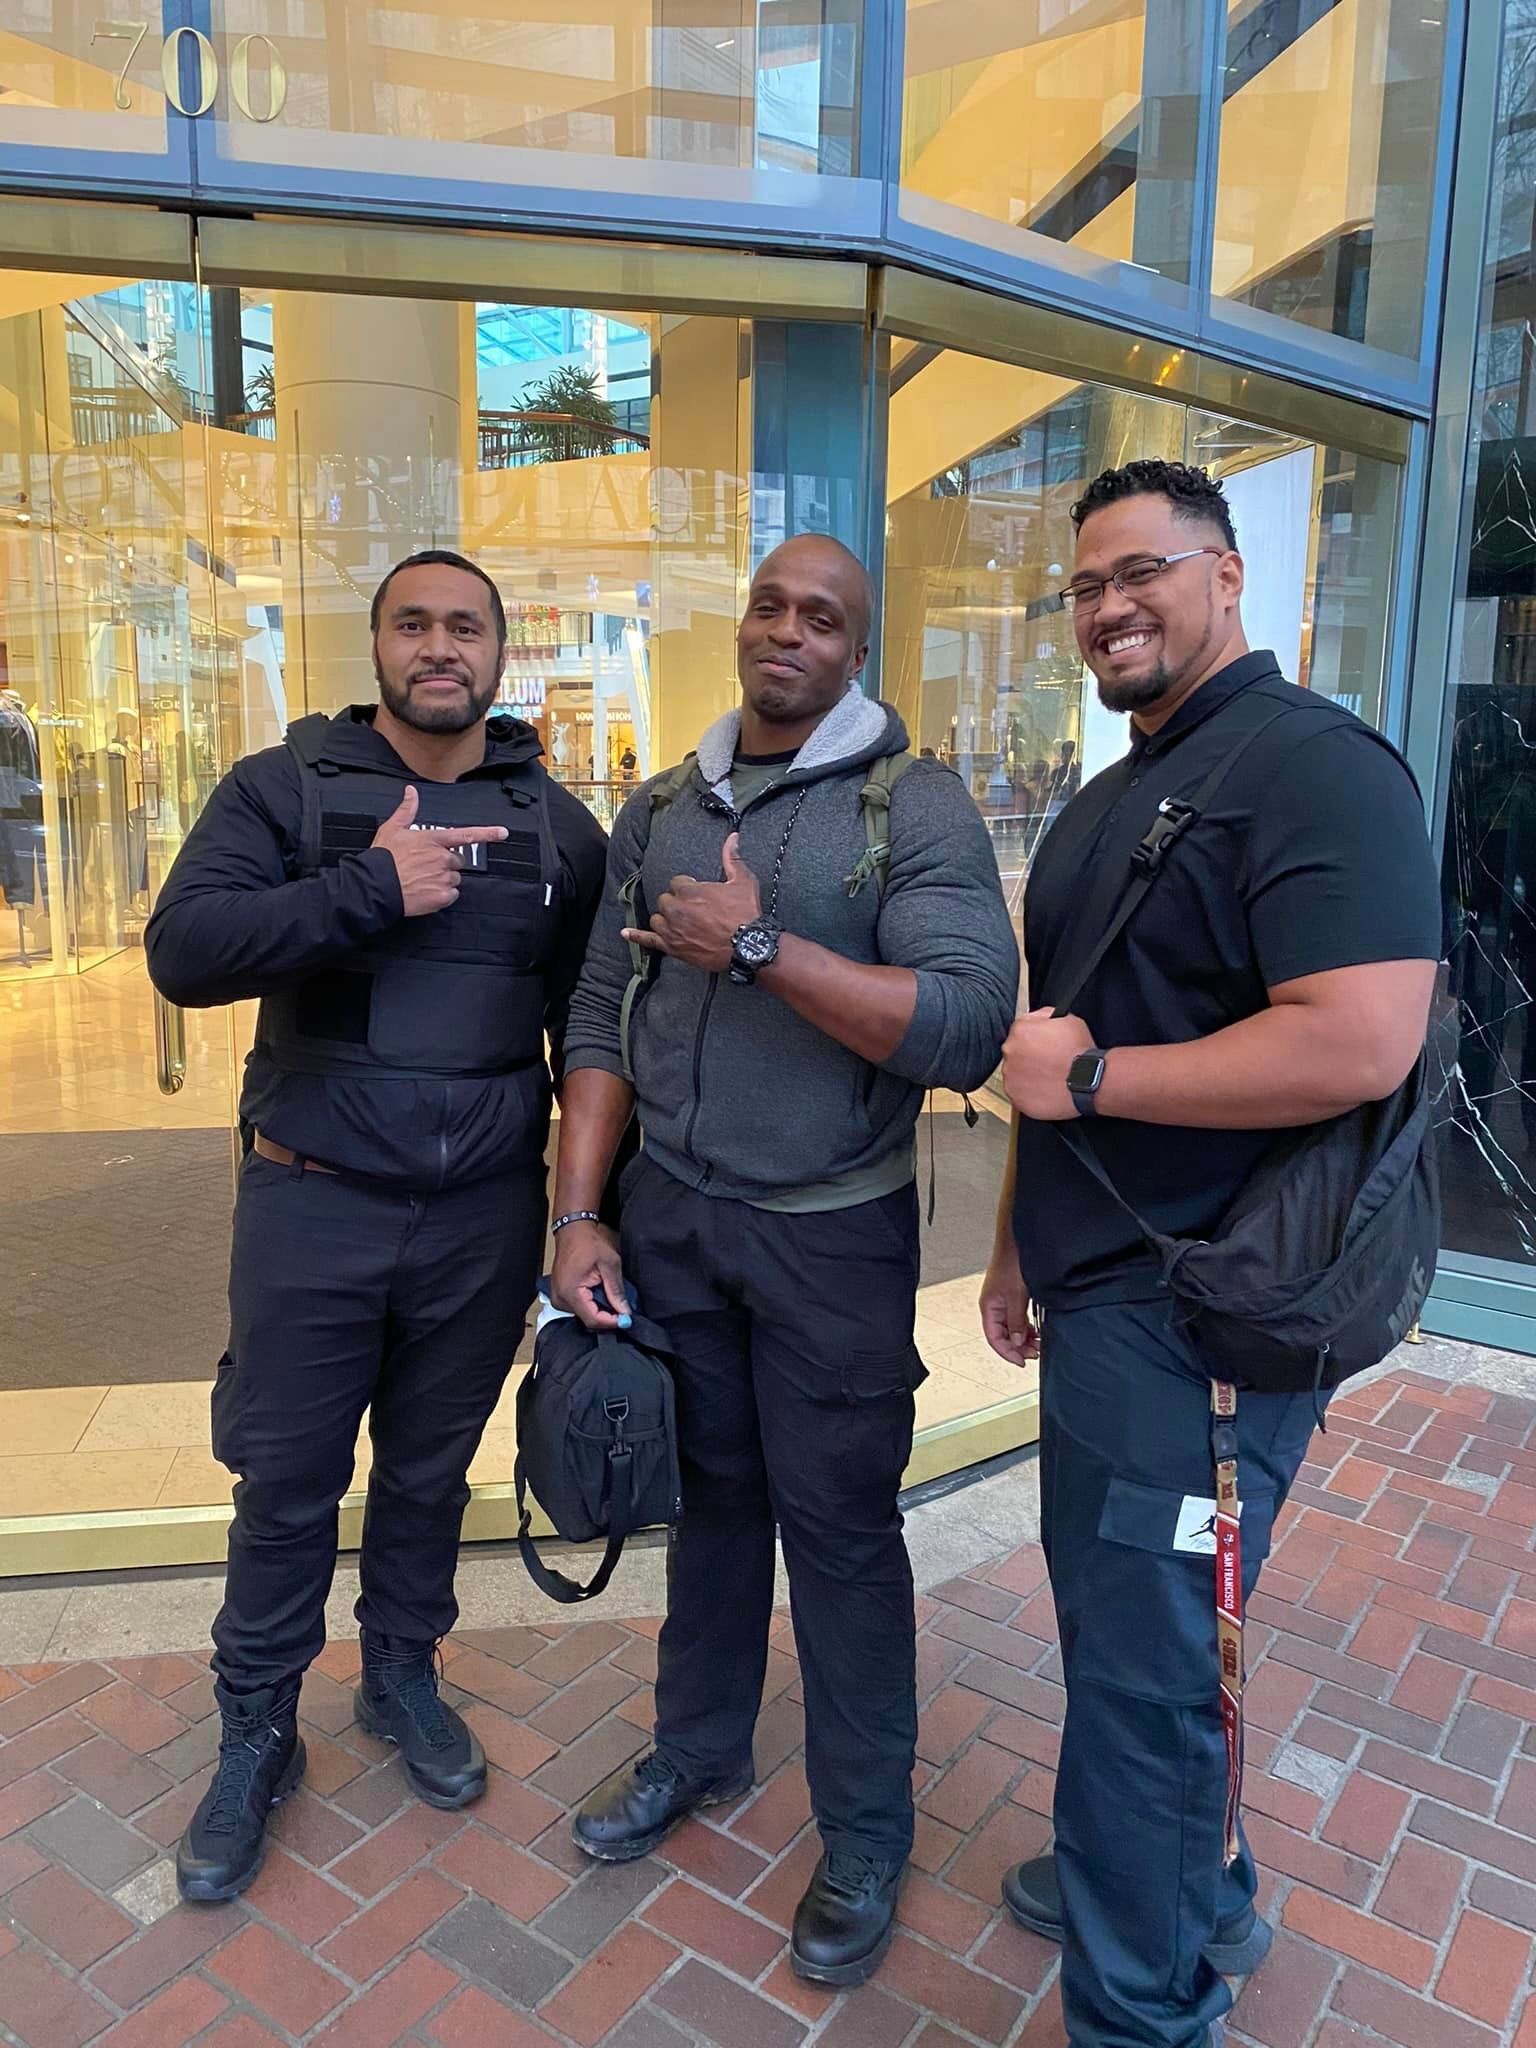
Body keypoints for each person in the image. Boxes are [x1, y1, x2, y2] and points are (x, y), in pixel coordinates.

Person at [980, 461, 1439, 2048]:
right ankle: (1189, 1883)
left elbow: (1360, 1040)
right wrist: (1013, 1246)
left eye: (1143, 571)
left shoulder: (1315, 768)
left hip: (1210, 1317)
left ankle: (1143, 2007)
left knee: (1149, 1667)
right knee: (1129, 1637)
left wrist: (1097, 1081)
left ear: (1228, 575)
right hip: (1101, 1294)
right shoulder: (1110, 799)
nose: (1110, 605)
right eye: (1086, 585)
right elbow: (1051, 1052)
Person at [550, 533, 1019, 1987]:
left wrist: (759, 949)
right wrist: (577, 1213)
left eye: (823, 618)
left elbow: (967, 1026)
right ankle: (697, 1748)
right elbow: (600, 1014)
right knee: (710, 1511)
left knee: (839, 1535)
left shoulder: (912, 802)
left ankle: (866, 1832)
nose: (789, 632)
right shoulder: (660, 807)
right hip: (676, 1221)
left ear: (855, 651)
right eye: (771, 606)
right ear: (741, 625)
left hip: (832, 1239)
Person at [146, 549, 608, 1903]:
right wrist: (363, 890)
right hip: (313, 1205)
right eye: (413, 623)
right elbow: (183, 950)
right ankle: (257, 1729)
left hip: (479, 1219)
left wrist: (584, 1217)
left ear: (500, 654)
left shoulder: (558, 830)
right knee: (286, 1483)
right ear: (379, 646)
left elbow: (590, 1031)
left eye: (465, 626)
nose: (439, 646)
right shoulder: (282, 789)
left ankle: (401, 1671)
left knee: (426, 1474)